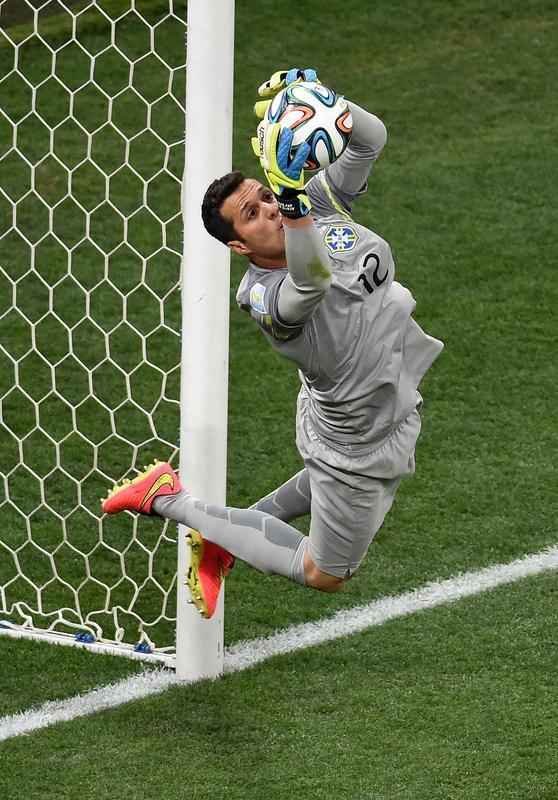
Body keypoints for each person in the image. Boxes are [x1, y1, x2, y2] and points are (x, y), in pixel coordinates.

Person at [102, 68, 443, 619]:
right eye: (254, 214)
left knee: (326, 485)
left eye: (264, 195)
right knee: (324, 572)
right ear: (239, 247)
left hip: (383, 405)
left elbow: (371, 139)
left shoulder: (317, 203)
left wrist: (329, 104)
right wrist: (290, 201)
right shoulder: (263, 295)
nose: (269, 211)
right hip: (354, 434)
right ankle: (167, 498)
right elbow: (312, 281)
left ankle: (220, 541)